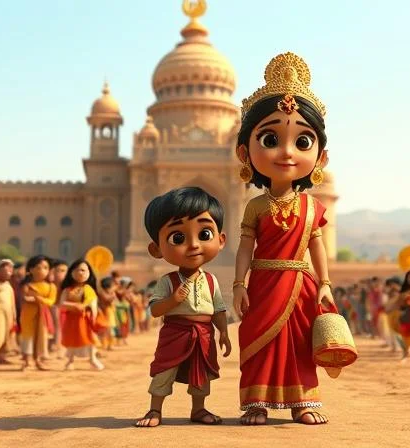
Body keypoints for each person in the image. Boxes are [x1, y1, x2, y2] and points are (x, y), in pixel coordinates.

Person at [232, 52, 336, 426]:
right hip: (263, 282)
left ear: (319, 157)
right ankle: (256, 402)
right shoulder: (256, 206)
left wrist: (325, 283)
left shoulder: (312, 207)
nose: (287, 152)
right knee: (259, 341)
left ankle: (302, 401)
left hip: (300, 283)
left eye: (303, 141)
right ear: (245, 151)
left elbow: (316, 245)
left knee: (297, 345)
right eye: (271, 138)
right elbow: (246, 245)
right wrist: (239, 283)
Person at [135, 187, 231, 428]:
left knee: (202, 373)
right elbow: (155, 310)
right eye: (178, 238)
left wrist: (225, 333)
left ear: (221, 240)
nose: (193, 245)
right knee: (164, 370)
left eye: (204, 233)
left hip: (204, 334)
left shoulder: (211, 280)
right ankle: (154, 409)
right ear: (156, 249)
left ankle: (198, 409)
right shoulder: (168, 281)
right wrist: (173, 300)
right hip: (175, 332)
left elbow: (218, 309)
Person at [19, 255, 55, 371]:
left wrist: (37, 299)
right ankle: (28, 361)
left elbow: (51, 302)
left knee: (41, 338)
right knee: (28, 337)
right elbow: (25, 298)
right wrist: (35, 299)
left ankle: (39, 360)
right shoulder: (27, 286)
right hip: (28, 316)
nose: (42, 271)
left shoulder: (51, 287)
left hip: (43, 316)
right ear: (31, 270)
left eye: (45, 268)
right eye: (38, 268)